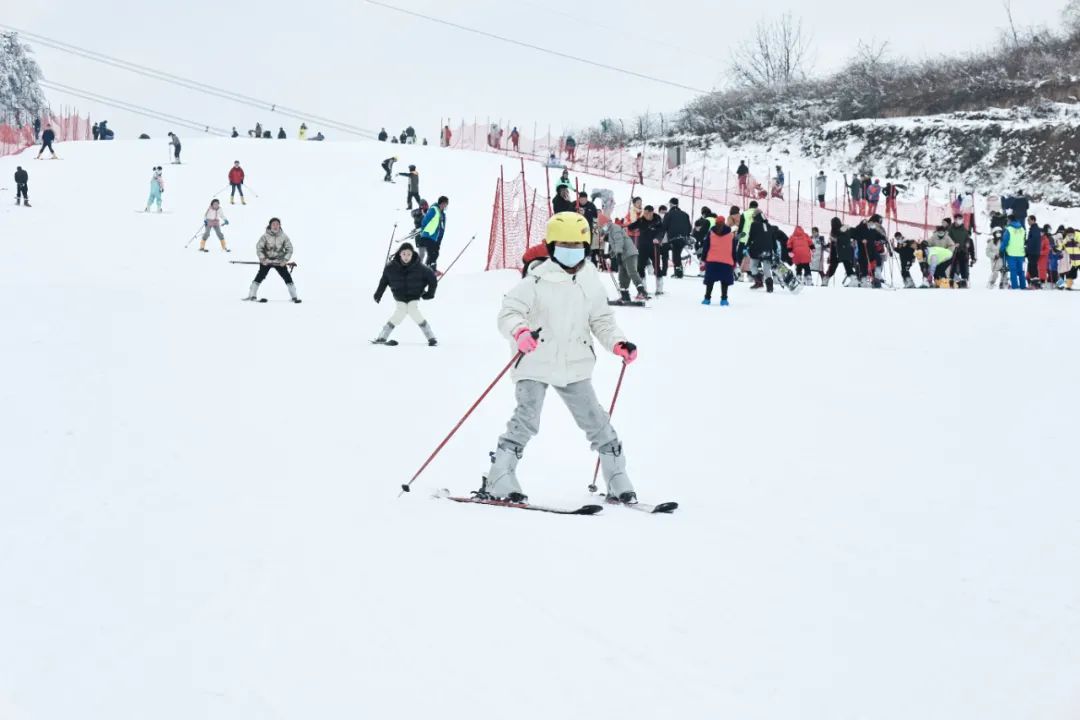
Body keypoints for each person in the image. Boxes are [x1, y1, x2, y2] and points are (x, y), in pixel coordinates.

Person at [477, 212, 639, 504]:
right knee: (526, 418)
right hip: (535, 360)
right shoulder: (535, 280)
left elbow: (601, 319)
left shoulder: (590, 280)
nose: (571, 251)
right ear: (552, 247)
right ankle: (500, 474)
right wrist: (520, 331)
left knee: (595, 419)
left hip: (574, 362)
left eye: (577, 245)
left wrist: (617, 342)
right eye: (565, 245)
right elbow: (509, 312)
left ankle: (616, 474)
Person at [372, 243, 439, 346]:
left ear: (412, 254)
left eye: (409, 254)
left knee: (412, 309)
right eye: (404, 254)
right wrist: (378, 294)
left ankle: (431, 337)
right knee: (400, 313)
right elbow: (383, 281)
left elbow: (432, 279)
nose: (406, 256)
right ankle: (382, 337)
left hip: (414, 295)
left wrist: (430, 293)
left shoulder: (420, 267)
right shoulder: (390, 268)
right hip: (400, 296)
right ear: (399, 254)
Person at [244, 218, 300, 303]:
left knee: (287, 277)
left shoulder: (284, 236)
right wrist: (262, 259)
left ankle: (294, 297)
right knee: (260, 276)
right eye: (273, 224)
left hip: (279, 261)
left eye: (277, 224)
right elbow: (259, 248)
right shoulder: (264, 236)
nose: (275, 226)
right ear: (270, 226)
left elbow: (289, 249)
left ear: (280, 225)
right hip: (266, 261)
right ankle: (252, 295)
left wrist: (285, 260)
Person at [604, 219, 648, 302]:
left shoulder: (615, 228)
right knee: (622, 276)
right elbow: (615, 246)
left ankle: (642, 291)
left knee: (632, 272)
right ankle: (625, 295)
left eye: (602, 225)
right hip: (623, 255)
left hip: (629, 253)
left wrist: (618, 254)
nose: (602, 228)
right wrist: (609, 255)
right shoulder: (610, 232)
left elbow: (619, 241)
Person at [627, 205, 666, 295]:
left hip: (654, 246)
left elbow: (662, 231)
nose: (645, 215)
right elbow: (630, 227)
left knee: (656, 266)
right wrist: (626, 224)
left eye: (647, 213)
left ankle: (659, 288)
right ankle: (643, 288)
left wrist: (658, 238)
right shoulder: (641, 220)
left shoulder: (657, 220)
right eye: (644, 213)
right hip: (643, 246)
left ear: (652, 212)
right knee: (640, 266)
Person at [701, 221, 737, 306]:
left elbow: (706, 247)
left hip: (712, 261)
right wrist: (734, 261)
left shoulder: (711, 234)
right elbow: (733, 250)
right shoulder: (731, 235)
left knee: (710, 281)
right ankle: (724, 300)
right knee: (725, 282)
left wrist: (703, 259)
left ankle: (707, 299)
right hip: (726, 261)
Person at [663, 198, 692, 279]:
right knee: (677, 254)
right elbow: (689, 227)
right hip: (683, 238)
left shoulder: (668, 214)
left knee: (675, 256)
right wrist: (687, 235)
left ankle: (678, 273)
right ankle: (678, 271)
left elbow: (664, 226)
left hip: (673, 238)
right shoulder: (685, 214)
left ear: (671, 204)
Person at [746, 211, 775, 292]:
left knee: (753, 265)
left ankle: (759, 282)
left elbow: (751, 236)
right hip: (768, 249)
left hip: (756, 249)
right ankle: (770, 286)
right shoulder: (769, 226)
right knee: (766, 268)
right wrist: (774, 250)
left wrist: (747, 245)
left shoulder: (754, 224)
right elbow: (773, 239)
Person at [417, 195, 448, 270]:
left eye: (446, 204)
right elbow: (425, 220)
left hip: (435, 237)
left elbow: (441, 228)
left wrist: (439, 238)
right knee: (433, 253)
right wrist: (424, 230)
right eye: (445, 204)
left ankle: (430, 269)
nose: (445, 206)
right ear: (441, 203)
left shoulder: (442, 214)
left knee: (435, 253)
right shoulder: (434, 209)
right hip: (428, 235)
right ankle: (430, 269)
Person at [825, 218, 857, 286]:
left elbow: (842, 239)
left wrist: (835, 240)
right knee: (847, 265)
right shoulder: (845, 229)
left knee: (836, 265)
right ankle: (854, 279)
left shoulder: (837, 230)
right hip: (844, 250)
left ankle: (826, 279)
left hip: (840, 251)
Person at [1000, 215, 1028, 289]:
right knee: (1021, 271)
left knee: (1013, 270)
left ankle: (1014, 286)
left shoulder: (1009, 229)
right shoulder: (1022, 229)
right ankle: (1023, 286)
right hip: (1020, 253)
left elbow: (1005, 241)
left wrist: (1001, 250)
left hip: (1011, 253)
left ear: (1010, 220)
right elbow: (1024, 240)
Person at [947, 214, 975, 288]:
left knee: (963, 266)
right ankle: (952, 280)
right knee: (953, 266)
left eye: (961, 219)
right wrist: (953, 244)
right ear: (955, 219)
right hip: (953, 250)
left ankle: (964, 280)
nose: (960, 220)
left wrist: (966, 244)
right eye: (958, 219)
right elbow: (948, 239)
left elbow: (967, 239)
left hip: (962, 250)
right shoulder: (950, 229)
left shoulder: (964, 230)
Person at [1026, 215, 1042, 287]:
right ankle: (1033, 282)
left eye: (1029, 220)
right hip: (1033, 251)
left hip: (1034, 252)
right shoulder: (1033, 228)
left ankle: (1036, 283)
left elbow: (1033, 240)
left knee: (1033, 267)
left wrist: (1027, 243)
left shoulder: (1035, 229)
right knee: (1031, 267)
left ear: (1033, 220)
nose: (1028, 222)